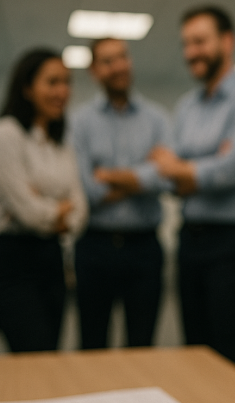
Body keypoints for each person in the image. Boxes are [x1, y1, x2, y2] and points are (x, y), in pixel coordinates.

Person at [150, 6, 235, 366]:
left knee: (225, 354)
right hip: (190, 238)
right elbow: (172, 180)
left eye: (200, 41)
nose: (192, 51)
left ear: (227, 41)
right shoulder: (187, 107)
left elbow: (228, 173)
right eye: (186, 44)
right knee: (193, 351)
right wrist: (199, 166)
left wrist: (185, 168)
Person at [0, 48, 88, 352]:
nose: (62, 91)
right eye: (52, 82)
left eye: (66, 82)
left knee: (50, 355)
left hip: (51, 259)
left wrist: (47, 206)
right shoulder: (5, 135)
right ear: (27, 88)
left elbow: (80, 211)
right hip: (11, 260)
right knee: (31, 351)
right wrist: (57, 207)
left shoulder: (60, 143)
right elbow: (28, 212)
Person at [70, 38, 172, 349]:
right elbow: (85, 188)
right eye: (108, 61)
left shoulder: (158, 118)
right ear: (93, 70)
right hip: (94, 247)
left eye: (122, 58)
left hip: (145, 248)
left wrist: (110, 176)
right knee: (92, 344)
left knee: (142, 344)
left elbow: (167, 180)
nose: (118, 66)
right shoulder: (78, 122)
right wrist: (143, 175)